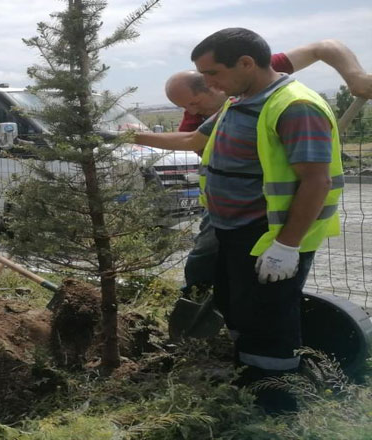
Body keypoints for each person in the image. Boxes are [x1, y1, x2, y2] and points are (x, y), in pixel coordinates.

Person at [132, 28, 352, 413]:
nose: (209, 83)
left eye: (213, 73)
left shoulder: (295, 106)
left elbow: (316, 180)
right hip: (233, 231)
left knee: (270, 321)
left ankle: (276, 407)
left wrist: (286, 246)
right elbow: (194, 142)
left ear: (246, 63)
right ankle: (246, 383)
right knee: (241, 310)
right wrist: (133, 139)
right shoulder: (238, 100)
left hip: (269, 234)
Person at [160, 40, 372, 297]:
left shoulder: (260, 77)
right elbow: (194, 140)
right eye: (183, 107)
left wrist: (355, 76)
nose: (190, 112)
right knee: (209, 258)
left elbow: (323, 47)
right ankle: (204, 300)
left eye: (194, 101)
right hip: (229, 211)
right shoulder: (204, 113)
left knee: (268, 294)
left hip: (269, 215)